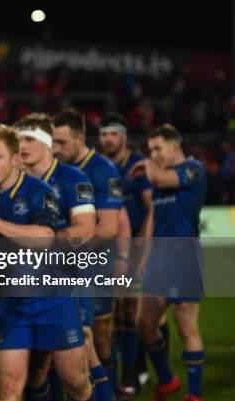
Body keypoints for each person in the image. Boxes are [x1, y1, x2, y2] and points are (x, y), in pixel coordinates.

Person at [0, 125, 92, 401]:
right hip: (8, 303)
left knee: (76, 381)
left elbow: (46, 238)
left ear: (14, 159)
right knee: (9, 389)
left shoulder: (39, 191)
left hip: (53, 298)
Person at [14, 113, 96, 401]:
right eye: (18, 139)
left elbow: (85, 230)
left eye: (29, 139)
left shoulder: (73, 178)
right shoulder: (10, 181)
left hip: (66, 284)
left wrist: (37, 241)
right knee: (34, 373)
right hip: (22, 288)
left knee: (76, 374)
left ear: (47, 143)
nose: (21, 145)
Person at [130, 124, 207, 401]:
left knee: (187, 327)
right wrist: (146, 255)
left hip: (184, 256)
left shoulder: (193, 169)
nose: (153, 154)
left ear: (174, 147)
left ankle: (194, 394)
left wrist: (147, 165)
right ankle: (167, 379)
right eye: (150, 150)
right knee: (145, 322)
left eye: (158, 148)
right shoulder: (160, 177)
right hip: (159, 257)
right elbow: (154, 217)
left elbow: (162, 179)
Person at [53, 108, 125, 401]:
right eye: (53, 143)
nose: (56, 150)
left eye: (62, 143)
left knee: (100, 339)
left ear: (80, 138)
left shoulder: (103, 170)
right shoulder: (55, 171)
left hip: (94, 266)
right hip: (62, 270)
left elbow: (108, 228)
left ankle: (113, 391)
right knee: (74, 341)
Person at [98, 112, 155, 398]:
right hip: (107, 249)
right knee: (113, 312)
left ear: (124, 136)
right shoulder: (100, 166)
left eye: (113, 133)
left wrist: (141, 248)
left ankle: (132, 373)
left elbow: (150, 208)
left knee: (131, 311)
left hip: (133, 249)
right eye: (104, 133)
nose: (108, 139)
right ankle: (129, 370)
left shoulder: (137, 166)